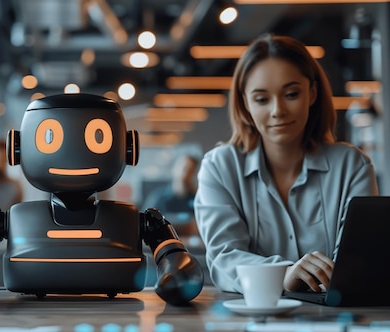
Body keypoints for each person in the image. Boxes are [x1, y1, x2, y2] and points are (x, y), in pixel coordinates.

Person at [194, 33, 378, 294]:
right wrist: (283, 274)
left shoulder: (352, 166)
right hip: (249, 318)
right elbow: (224, 258)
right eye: (261, 99)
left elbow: (356, 264)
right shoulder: (220, 167)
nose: (277, 110)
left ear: (312, 93)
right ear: (245, 104)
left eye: (291, 94)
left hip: (333, 320)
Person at [142, 154, 200, 236]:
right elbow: (146, 225)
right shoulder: (158, 198)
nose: (186, 174)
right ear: (174, 169)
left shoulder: (197, 199)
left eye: (191, 171)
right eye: (184, 168)